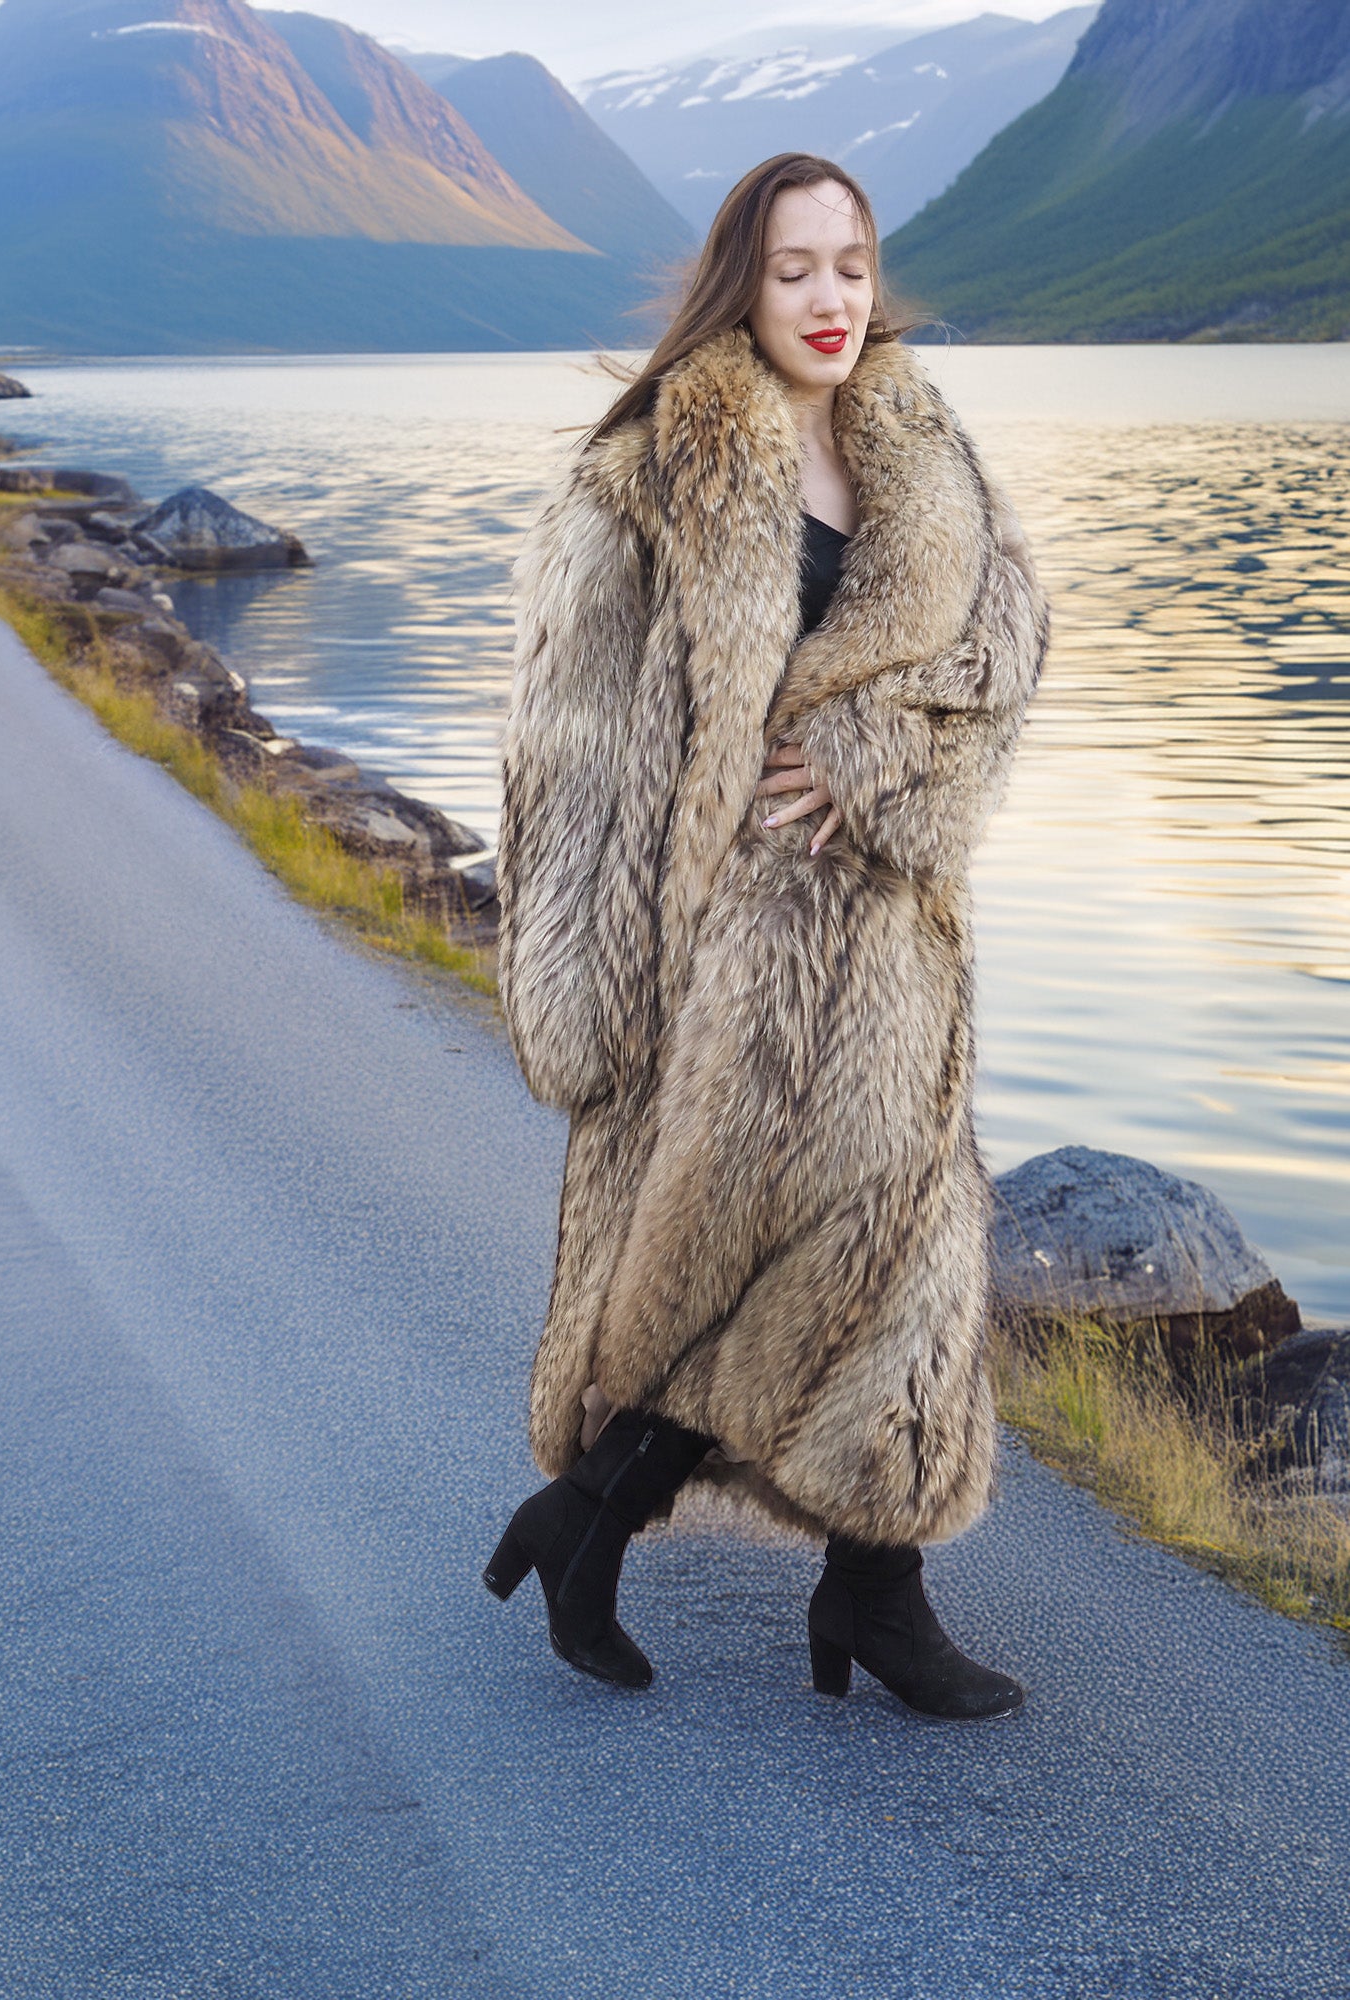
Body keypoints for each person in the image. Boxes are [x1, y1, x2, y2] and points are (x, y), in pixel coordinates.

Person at [484, 152, 1048, 1720]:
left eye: (853, 266)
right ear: (744, 281)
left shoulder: (924, 444)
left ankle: (821, 1576)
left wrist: (885, 769)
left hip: (896, 937)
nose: (831, 300)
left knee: (897, 1249)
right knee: (754, 1258)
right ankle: (708, 1547)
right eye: (797, 268)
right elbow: (575, 752)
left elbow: (1004, 666)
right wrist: (586, 995)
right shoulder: (648, 474)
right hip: (726, 958)